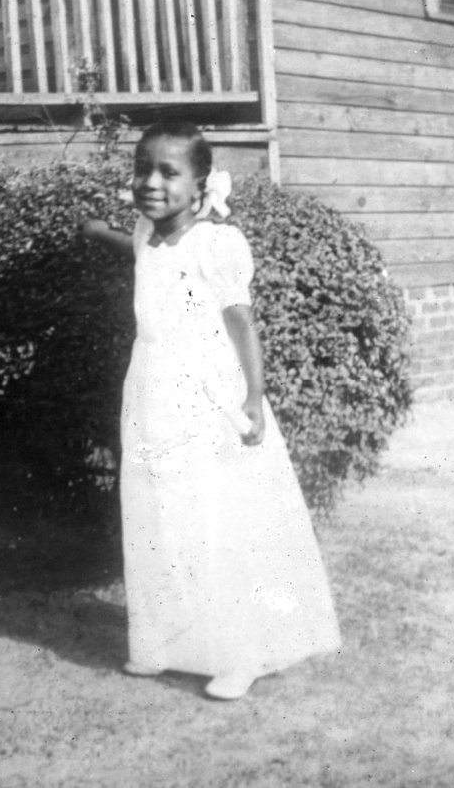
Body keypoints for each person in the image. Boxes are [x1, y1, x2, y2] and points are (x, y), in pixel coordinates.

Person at [82, 120, 341, 700]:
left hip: (204, 395)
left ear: (201, 184)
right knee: (158, 517)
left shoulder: (219, 244)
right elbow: (147, 258)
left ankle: (238, 653)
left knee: (213, 521)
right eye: (141, 169)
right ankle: (162, 644)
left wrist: (253, 398)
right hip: (149, 389)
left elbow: (240, 321)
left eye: (168, 172)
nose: (151, 182)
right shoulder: (147, 232)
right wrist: (101, 233)